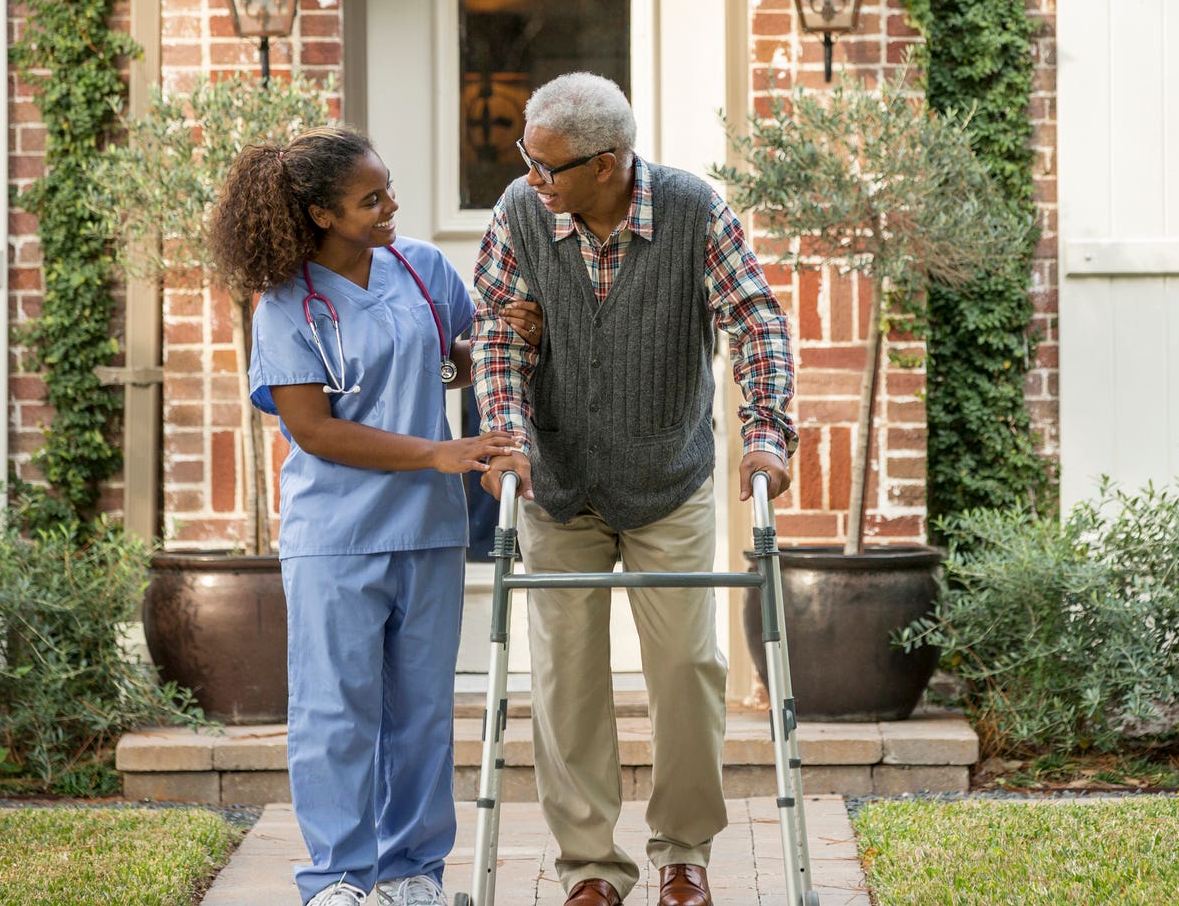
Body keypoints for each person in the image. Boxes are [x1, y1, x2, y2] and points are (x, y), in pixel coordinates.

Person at [472, 73, 797, 906]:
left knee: (688, 665)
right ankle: (588, 866)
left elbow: (755, 319)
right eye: (526, 161)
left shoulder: (694, 211)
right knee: (566, 676)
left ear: (609, 163)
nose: (531, 179)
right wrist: (506, 437)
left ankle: (683, 852)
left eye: (548, 167)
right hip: (558, 480)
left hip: (667, 477)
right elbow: (498, 337)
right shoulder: (519, 212)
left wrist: (765, 434)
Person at [211, 123, 543, 906]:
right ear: (323, 214)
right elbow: (314, 429)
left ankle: (412, 872)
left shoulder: (422, 269)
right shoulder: (286, 304)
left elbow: (459, 355)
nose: (391, 205)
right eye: (371, 198)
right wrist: (439, 453)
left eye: (387, 187)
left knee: (423, 715)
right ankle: (336, 878)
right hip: (336, 536)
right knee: (337, 712)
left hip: (429, 529)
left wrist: (501, 334)